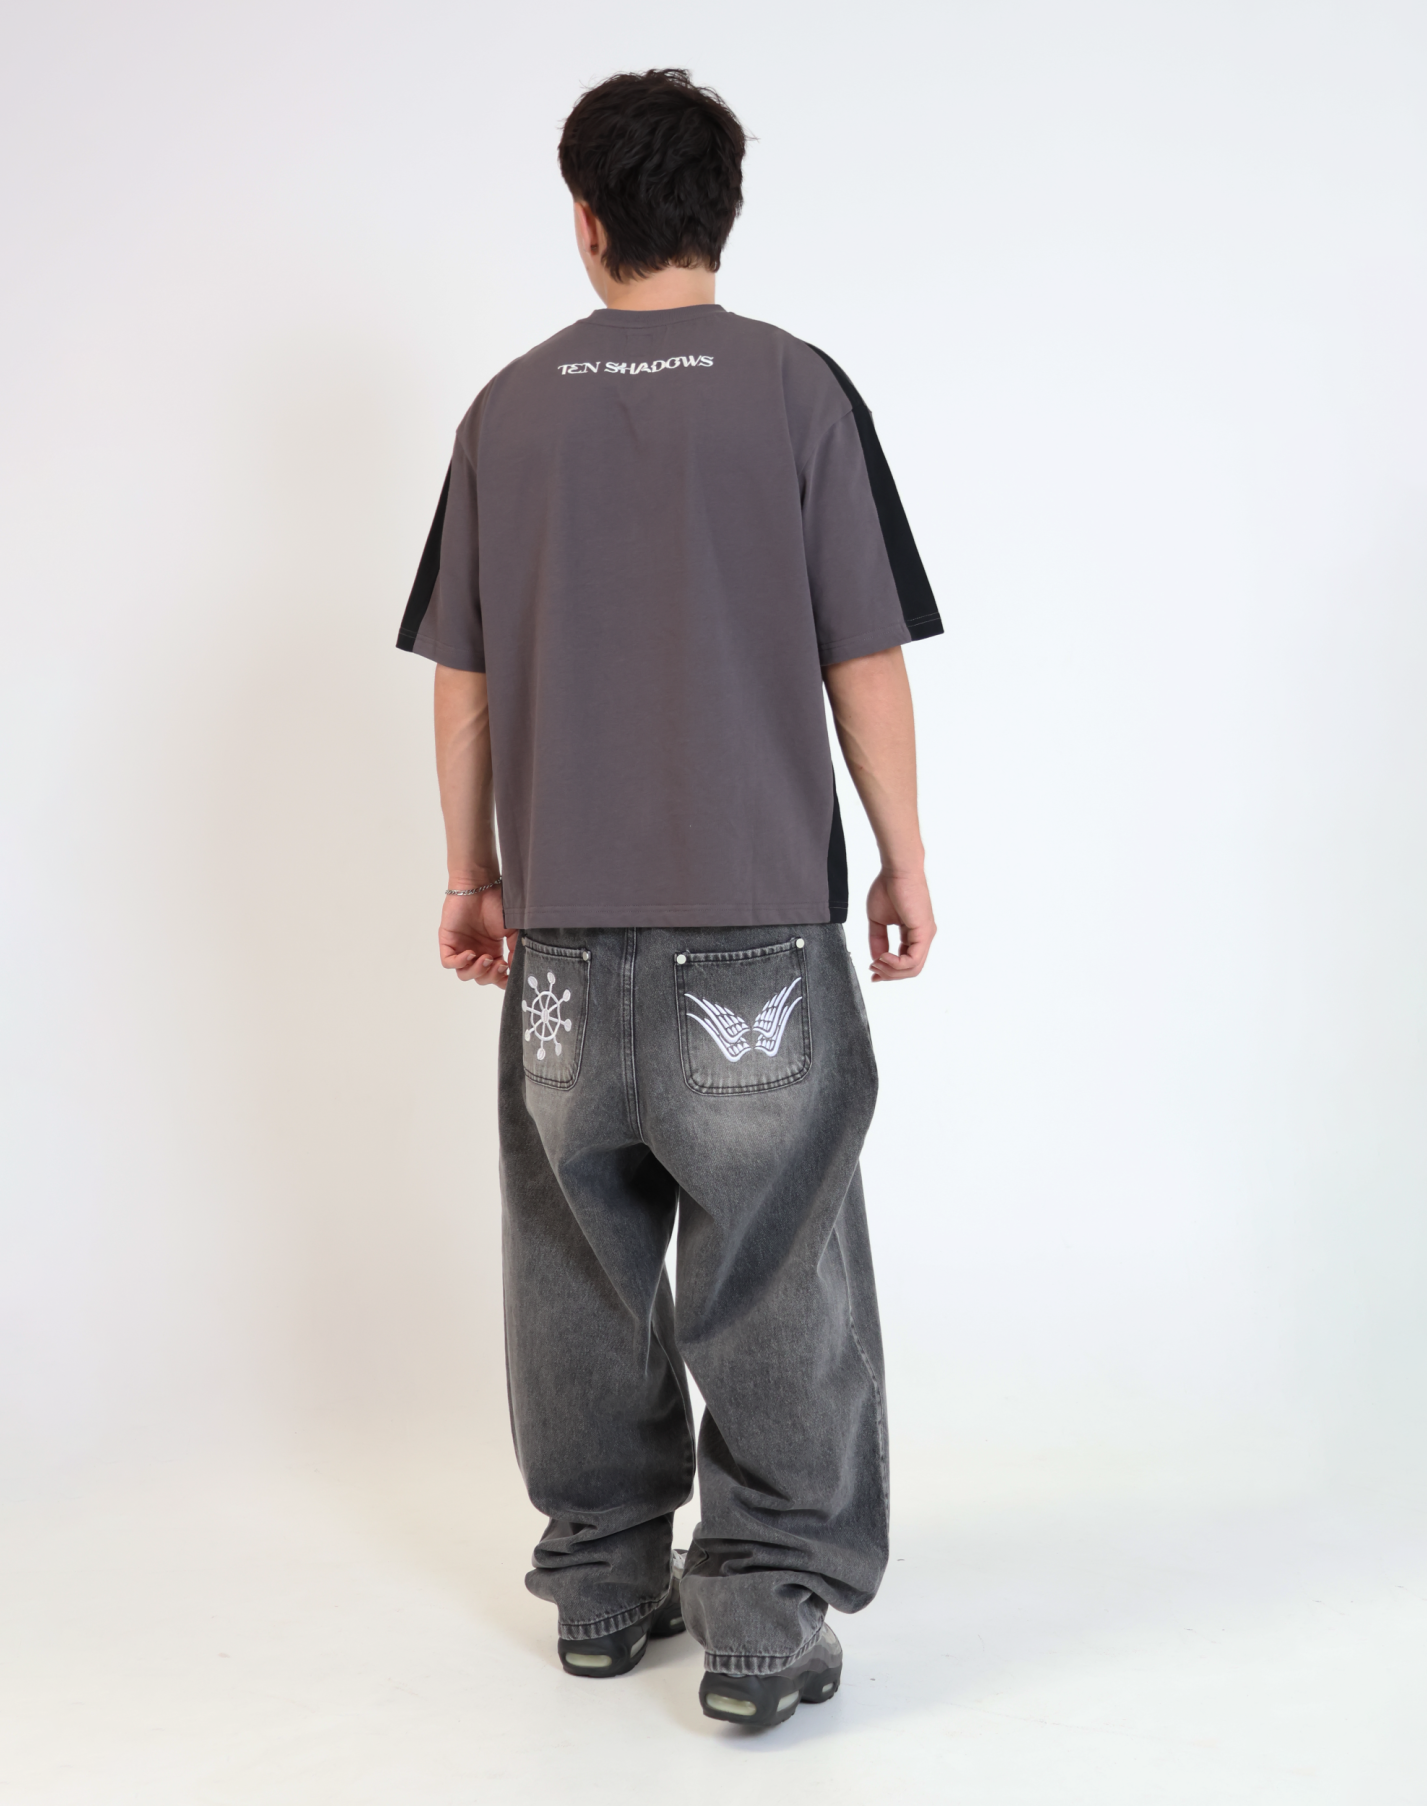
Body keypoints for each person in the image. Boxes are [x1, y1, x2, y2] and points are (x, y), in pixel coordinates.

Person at [396, 68, 940, 1729]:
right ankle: (763, 1610)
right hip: (756, 923)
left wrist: (473, 871)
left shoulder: (505, 414)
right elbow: (862, 651)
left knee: (577, 1259)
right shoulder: (796, 391)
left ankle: (603, 1577)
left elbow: (465, 679)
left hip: (565, 935)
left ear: (586, 218)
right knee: (772, 1261)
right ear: (723, 213)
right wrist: (905, 852)